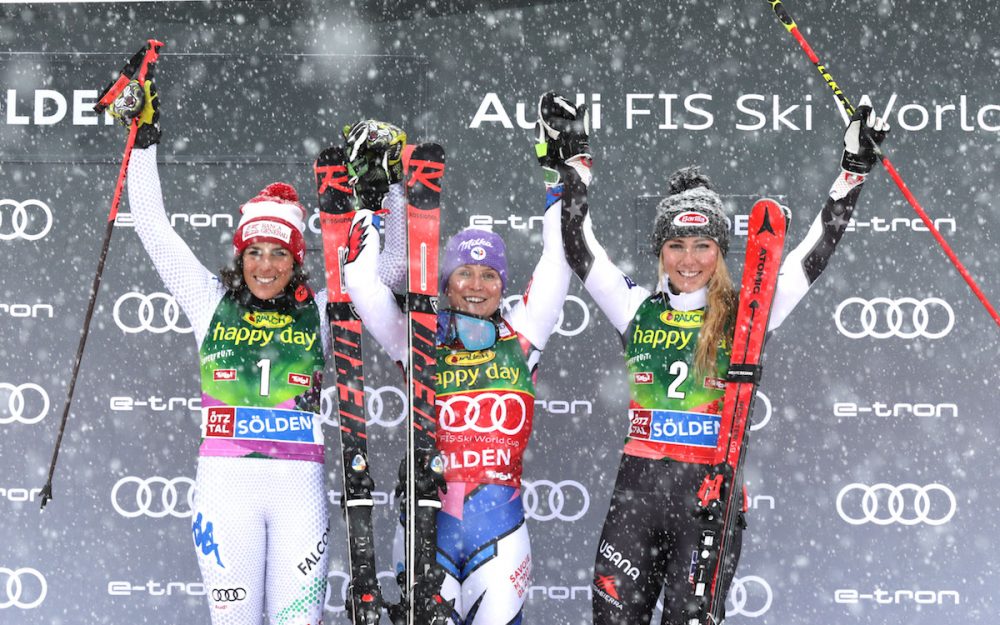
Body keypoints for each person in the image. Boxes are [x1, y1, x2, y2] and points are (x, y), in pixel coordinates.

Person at [537, 91, 889, 625]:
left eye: (703, 246)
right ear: (660, 251)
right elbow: (578, 244)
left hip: (709, 502)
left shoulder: (748, 314)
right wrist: (575, 161)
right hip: (636, 498)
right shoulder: (635, 307)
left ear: (721, 252)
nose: (689, 259)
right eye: (676, 245)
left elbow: (811, 257)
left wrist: (852, 173)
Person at [113, 71, 330, 625]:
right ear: (240, 255)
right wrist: (144, 140)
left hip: (298, 492)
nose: (264, 265)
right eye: (253, 251)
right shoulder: (209, 302)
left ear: (295, 260)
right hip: (225, 490)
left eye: (277, 253)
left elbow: (392, 273)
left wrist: (389, 197)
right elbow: (155, 230)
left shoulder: (322, 311)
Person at [341, 121, 577, 624]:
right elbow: (360, 285)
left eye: (489, 274)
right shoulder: (417, 339)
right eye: (463, 274)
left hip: (502, 530)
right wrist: (372, 200)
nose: (476, 285)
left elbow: (558, 262)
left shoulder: (522, 336)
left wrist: (565, 173)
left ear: (502, 284)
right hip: (429, 525)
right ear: (444, 283)